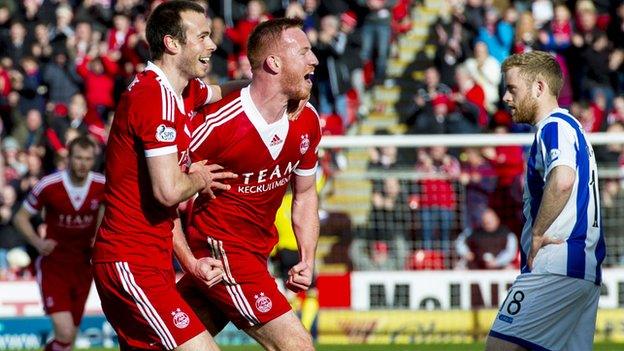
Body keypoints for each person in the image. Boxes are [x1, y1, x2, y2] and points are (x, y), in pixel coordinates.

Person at [91, 1, 239, 350]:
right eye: (202, 36)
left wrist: (269, 87)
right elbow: (169, 192)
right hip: (129, 261)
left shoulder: (180, 93)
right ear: (173, 44)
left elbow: (223, 91)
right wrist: (199, 178)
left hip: (152, 260)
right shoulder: (153, 96)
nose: (212, 45)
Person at [176, 18, 320, 351]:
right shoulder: (216, 122)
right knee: (297, 346)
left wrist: (307, 258)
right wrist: (188, 259)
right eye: (304, 52)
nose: (313, 60)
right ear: (274, 62)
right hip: (221, 252)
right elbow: (163, 191)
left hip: (257, 253)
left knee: (165, 344)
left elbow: (306, 194)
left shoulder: (308, 121)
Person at [486, 51, 606, 351]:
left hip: (555, 266)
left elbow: (563, 179)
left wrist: (537, 232)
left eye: (512, 88)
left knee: (499, 348)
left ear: (538, 87)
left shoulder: (553, 127)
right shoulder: (573, 129)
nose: (505, 97)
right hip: (583, 270)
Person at [13, 136, 105, 351]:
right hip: (55, 266)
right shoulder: (49, 185)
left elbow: (107, 209)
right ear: (68, 158)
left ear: (94, 160)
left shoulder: (102, 185)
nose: (83, 163)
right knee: (64, 334)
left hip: (83, 266)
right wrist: (37, 242)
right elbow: (20, 217)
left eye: (88, 159)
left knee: (69, 339)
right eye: (78, 158)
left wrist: (100, 234)